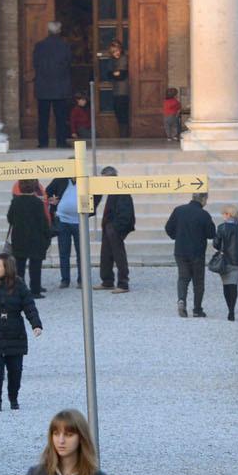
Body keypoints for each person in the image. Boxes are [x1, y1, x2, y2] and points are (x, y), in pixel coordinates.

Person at [0, 253, 42, 411]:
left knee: (15, 370)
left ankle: (13, 398)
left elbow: (29, 306)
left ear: (8, 268)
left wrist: (36, 325)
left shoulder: (19, 285)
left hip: (14, 333)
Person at [165, 190, 217, 318]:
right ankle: (197, 309)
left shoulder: (179, 210)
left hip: (180, 250)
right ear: (203, 199)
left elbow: (168, 228)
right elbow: (211, 234)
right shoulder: (204, 215)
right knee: (198, 281)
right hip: (197, 252)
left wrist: (176, 236)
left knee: (183, 278)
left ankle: (181, 300)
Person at [7, 180, 52, 297]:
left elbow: (10, 218)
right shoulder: (37, 203)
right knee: (35, 267)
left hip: (19, 238)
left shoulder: (15, 202)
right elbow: (43, 222)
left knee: (20, 267)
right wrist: (47, 236)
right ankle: (35, 291)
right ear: (33, 188)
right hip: (35, 239)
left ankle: (19, 290)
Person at [32, 21, 72, 148]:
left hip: (43, 86)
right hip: (60, 86)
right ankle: (61, 142)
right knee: (60, 117)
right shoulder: (64, 46)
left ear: (48, 31)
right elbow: (68, 64)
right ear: (59, 31)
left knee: (43, 117)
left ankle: (43, 142)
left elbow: (35, 63)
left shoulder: (39, 46)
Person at [95, 165, 134, 293]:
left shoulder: (121, 190)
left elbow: (125, 213)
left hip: (115, 227)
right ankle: (107, 281)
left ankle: (123, 283)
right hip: (109, 226)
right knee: (105, 255)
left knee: (119, 255)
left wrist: (116, 228)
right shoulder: (111, 190)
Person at [214, 206, 238, 322]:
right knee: (233, 285)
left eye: (224, 214)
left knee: (226, 285)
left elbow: (216, 244)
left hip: (225, 261)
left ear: (228, 215)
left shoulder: (221, 228)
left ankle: (229, 308)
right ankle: (232, 310)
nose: (223, 216)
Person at [53, 176, 83, 288]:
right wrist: (53, 204)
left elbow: (96, 196)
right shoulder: (60, 180)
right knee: (64, 252)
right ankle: (65, 279)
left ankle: (82, 279)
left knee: (81, 253)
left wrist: (91, 211)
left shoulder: (84, 180)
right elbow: (48, 192)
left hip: (80, 222)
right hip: (63, 221)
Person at [102, 41, 131, 137]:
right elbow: (108, 74)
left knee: (123, 113)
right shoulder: (111, 61)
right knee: (118, 112)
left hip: (124, 91)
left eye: (117, 50)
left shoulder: (123, 59)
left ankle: (124, 135)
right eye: (114, 51)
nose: (116, 53)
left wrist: (115, 73)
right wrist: (114, 73)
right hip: (116, 91)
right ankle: (122, 134)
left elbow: (121, 75)